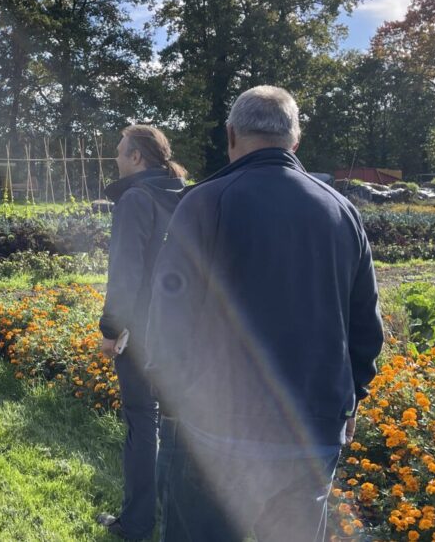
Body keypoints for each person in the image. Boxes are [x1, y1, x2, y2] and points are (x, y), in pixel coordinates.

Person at [146, 86, 385, 542]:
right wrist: (353, 395)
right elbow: (364, 326)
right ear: (295, 140)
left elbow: (168, 311)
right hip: (312, 428)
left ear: (231, 134)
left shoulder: (205, 202)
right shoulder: (341, 211)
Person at [95, 126, 186, 541]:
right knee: (177, 423)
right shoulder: (186, 195)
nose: (115, 159)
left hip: (142, 329)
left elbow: (126, 271)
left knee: (141, 420)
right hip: (184, 326)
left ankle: (136, 522)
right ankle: (175, 516)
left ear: (136, 158)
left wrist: (111, 330)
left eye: (119, 152)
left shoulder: (135, 199)